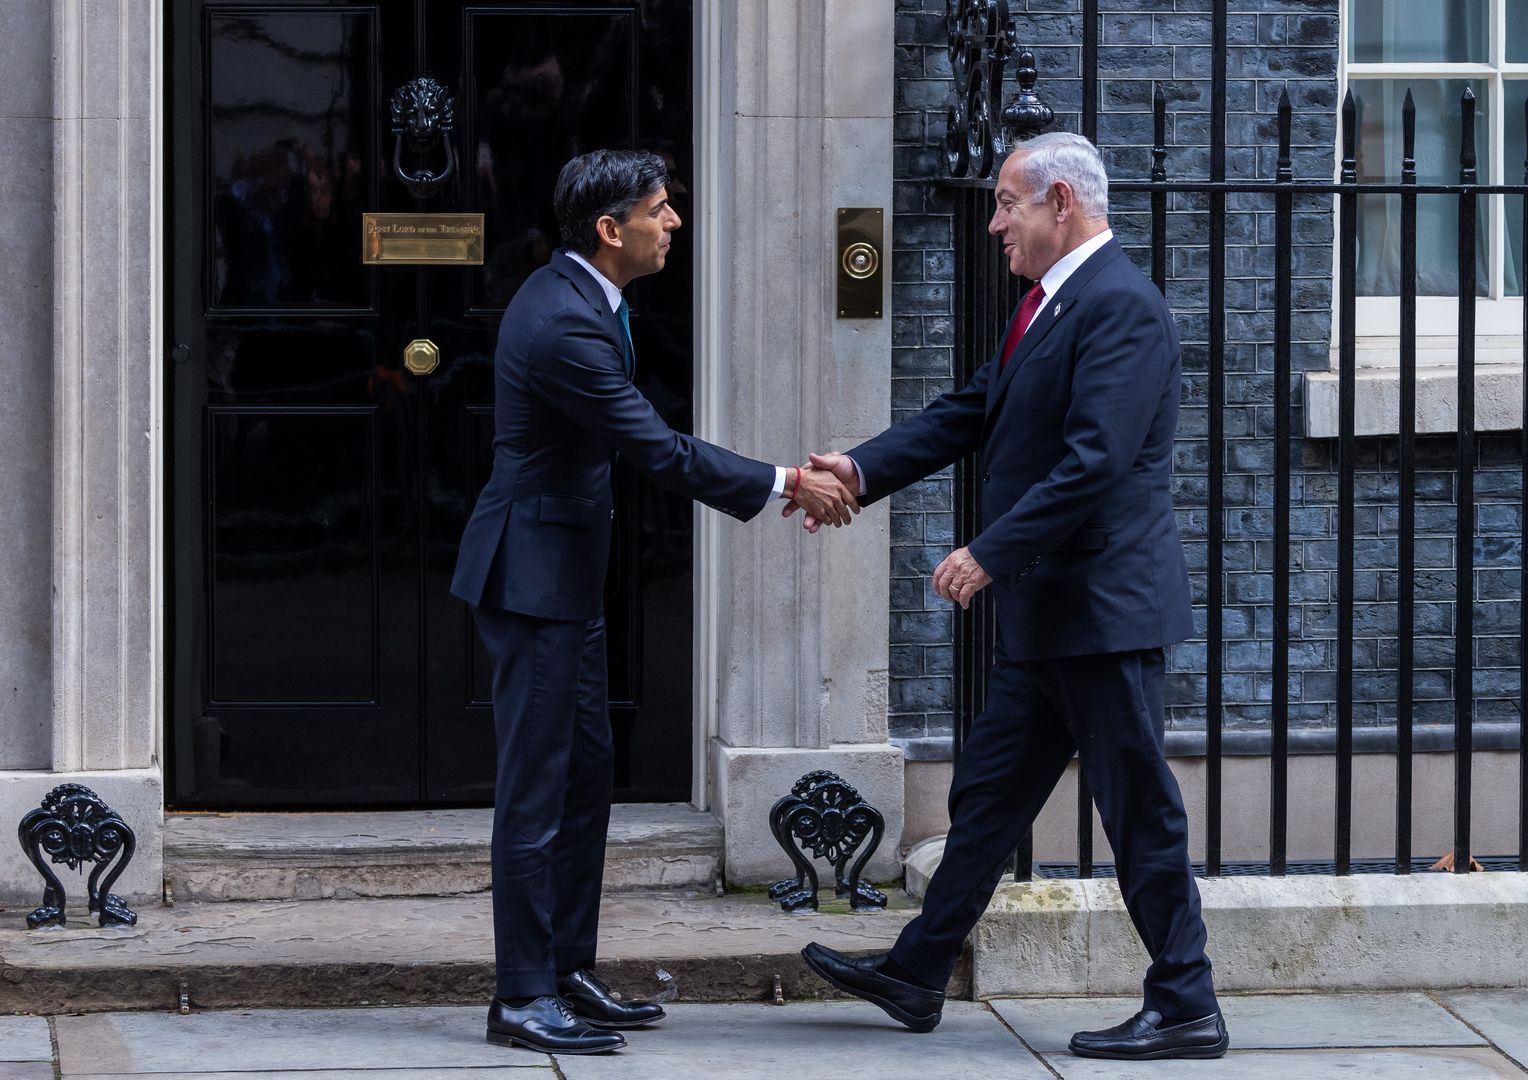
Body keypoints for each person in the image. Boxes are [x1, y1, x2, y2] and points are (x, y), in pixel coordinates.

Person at [793, 132, 1227, 1062]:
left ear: (1060, 202)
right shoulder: (1050, 306)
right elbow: (971, 409)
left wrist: (987, 554)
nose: (995, 223)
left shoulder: (1122, 308)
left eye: (1006, 204)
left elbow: (1095, 465)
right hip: (1052, 617)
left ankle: (1186, 1001)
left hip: (1104, 613)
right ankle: (918, 974)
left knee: (1138, 809)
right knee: (988, 798)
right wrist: (860, 468)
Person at [451, 148, 857, 1056]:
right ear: (611, 229)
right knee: (536, 792)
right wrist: (788, 480)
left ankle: (564, 971)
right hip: (530, 581)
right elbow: (656, 449)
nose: (673, 222)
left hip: (564, 579)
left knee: (586, 775)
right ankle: (520, 996)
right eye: (660, 209)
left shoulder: (591, 302)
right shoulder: (561, 323)